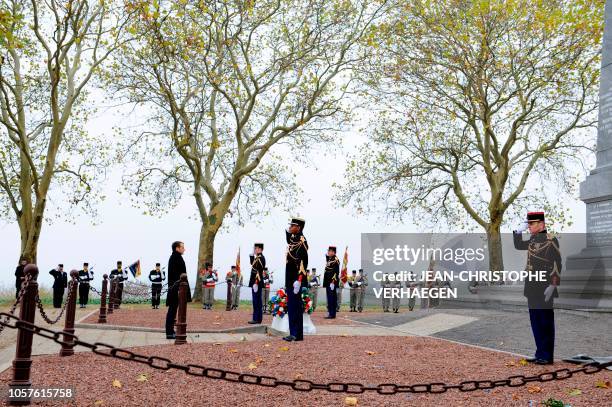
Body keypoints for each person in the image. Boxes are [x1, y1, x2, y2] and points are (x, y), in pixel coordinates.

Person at [514, 211, 561, 365]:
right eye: (528, 223)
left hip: (545, 286)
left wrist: (553, 285)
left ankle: (547, 356)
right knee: (535, 321)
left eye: (532, 223)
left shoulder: (551, 239)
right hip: (532, 287)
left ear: (541, 224)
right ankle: (539, 352)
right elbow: (518, 245)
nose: (529, 226)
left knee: (545, 321)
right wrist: (517, 231)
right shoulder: (532, 240)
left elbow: (557, 264)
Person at [283, 217, 308, 342]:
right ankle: (293, 332)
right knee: (291, 307)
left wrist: (299, 280)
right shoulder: (294, 240)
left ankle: (297, 334)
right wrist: (288, 231)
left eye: (292, 225)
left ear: (298, 227)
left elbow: (303, 262)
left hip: (295, 280)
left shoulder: (301, 242)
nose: (290, 227)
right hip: (290, 279)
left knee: (296, 307)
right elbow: (289, 239)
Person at [166, 241, 192, 339]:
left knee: (174, 310)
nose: (184, 249)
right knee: (172, 310)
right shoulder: (175, 258)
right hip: (176, 289)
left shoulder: (177, 257)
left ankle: (171, 331)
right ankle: (169, 332)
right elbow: (176, 275)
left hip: (178, 288)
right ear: (177, 248)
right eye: (182, 247)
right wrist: (178, 289)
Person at [248, 243, 266, 324]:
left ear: (261, 249)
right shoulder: (257, 257)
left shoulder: (261, 258)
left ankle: (256, 319)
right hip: (255, 281)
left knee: (256, 301)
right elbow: (253, 264)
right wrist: (252, 255)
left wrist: (256, 282)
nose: (255, 250)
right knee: (256, 300)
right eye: (255, 248)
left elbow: (259, 271)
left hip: (257, 282)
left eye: (256, 249)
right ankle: (258, 318)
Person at [323, 246, 339, 319]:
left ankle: (332, 314)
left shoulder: (335, 260)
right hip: (328, 282)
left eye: (330, 251)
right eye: (328, 251)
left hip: (332, 282)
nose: (328, 252)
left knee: (332, 298)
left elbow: (336, 272)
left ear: (333, 252)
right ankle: (330, 312)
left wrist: (333, 281)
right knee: (329, 298)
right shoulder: (330, 259)